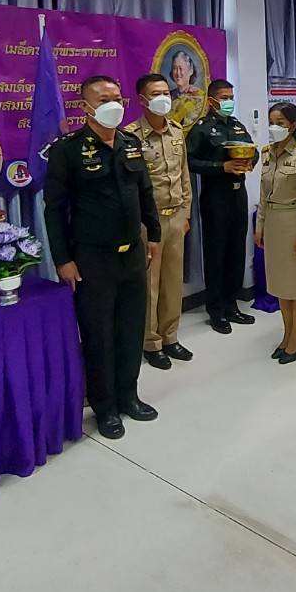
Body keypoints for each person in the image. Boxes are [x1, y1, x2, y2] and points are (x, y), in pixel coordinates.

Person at [43, 75, 162, 440]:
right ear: (86, 106)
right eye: (104, 98)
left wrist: (154, 233)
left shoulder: (130, 144)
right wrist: (63, 259)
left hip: (133, 254)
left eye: (117, 96)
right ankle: (105, 406)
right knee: (98, 334)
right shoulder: (68, 150)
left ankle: (129, 395)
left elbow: (145, 191)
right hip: (92, 258)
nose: (114, 103)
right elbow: (54, 209)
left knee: (130, 329)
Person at [124, 73, 194, 371]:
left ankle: (170, 336)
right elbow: (130, 187)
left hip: (177, 216)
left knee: (172, 281)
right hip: (147, 222)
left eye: (166, 92)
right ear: (142, 99)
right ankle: (150, 342)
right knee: (149, 285)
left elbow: (185, 175)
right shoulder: (130, 136)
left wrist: (187, 212)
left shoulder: (176, 132)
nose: (164, 97)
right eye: (156, 93)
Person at [187, 79, 259, 334]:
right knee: (216, 254)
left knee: (237, 251)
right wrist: (221, 167)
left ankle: (232, 304)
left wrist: (251, 161)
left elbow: (254, 150)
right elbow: (190, 162)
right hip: (215, 197)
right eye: (224, 97)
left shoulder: (237, 126)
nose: (229, 101)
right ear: (212, 101)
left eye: (231, 96)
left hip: (238, 196)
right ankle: (216, 310)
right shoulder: (202, 129)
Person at [254, 102, 296, 363]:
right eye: (272, 122)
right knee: (281, 285)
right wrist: (259, 226)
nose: (275, 127)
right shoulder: (267, 153)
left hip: (294, 224)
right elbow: (262, 193)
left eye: (280, 123)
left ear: (292, 125)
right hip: (272, 223)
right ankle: (288, 334)